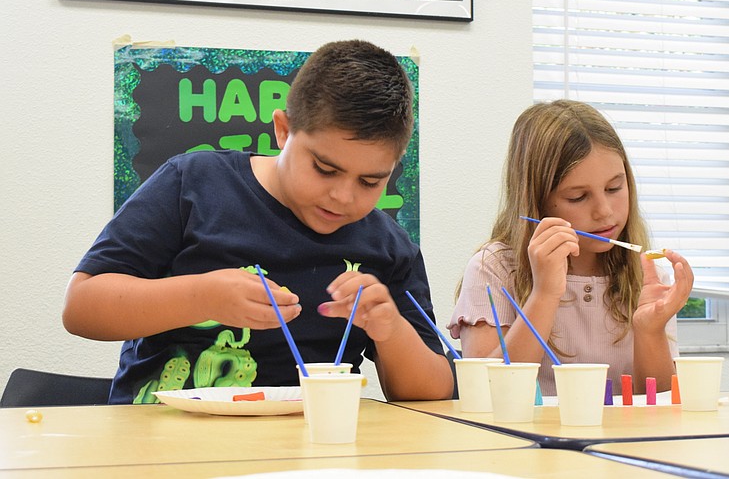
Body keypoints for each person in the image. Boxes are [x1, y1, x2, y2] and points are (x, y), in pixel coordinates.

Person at [63, 39, 454, 404]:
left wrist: (391, 331)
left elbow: (433, 393)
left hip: (310, 449)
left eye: (371, 181)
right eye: (324, 169)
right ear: (283, 130)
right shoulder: (194, 184)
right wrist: (202, 297)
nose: (343, 196)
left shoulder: (388, 246)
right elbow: (81, 308)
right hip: (163, 442)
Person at [448, 100, 693, 396]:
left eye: (614, 188)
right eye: (578, 197)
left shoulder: (646, 274)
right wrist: (544, 294)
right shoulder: (495, 268)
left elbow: (660, 404)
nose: (604, 211)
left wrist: (650, 330)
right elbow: (487, 394)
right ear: (535, 202)